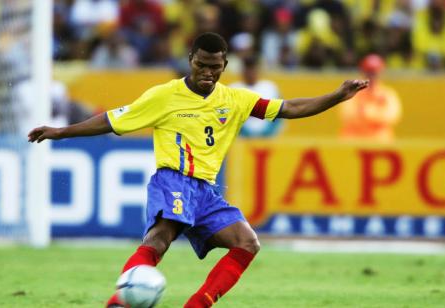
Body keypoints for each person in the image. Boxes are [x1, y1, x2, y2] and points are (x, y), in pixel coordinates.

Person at [28, 32, 368, 308]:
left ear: (225, 65)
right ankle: (121, 301)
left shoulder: (236, 100)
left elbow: (290, 108)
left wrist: (336, 96)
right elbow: (112, 120)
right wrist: (61, 131)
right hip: (173, 178)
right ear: (191, 60)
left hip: (206, 190)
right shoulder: (165, 95)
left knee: (247, 243)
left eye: (215, 67)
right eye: (202, 65)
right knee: (161, 238)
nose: (207, 72)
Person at [339, 54, 402, 142]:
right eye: (368, 72)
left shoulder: (387, 94)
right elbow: (347, 115)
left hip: (379, 143)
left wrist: (366, 112)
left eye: (374, 72)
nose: (371, 76)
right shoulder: (353, 93)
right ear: (363, 72)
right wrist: (376, 115)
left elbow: (392, 117)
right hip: (354, 143)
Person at [229, 55, 282, 137]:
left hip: (267, 139)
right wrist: (242, 132)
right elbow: (230, 116)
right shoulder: (233, 89)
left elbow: (279, 115)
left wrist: (268, 132)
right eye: (248, 69)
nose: (250, 73)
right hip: (241, 139)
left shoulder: (270, 87)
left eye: (253, 69)